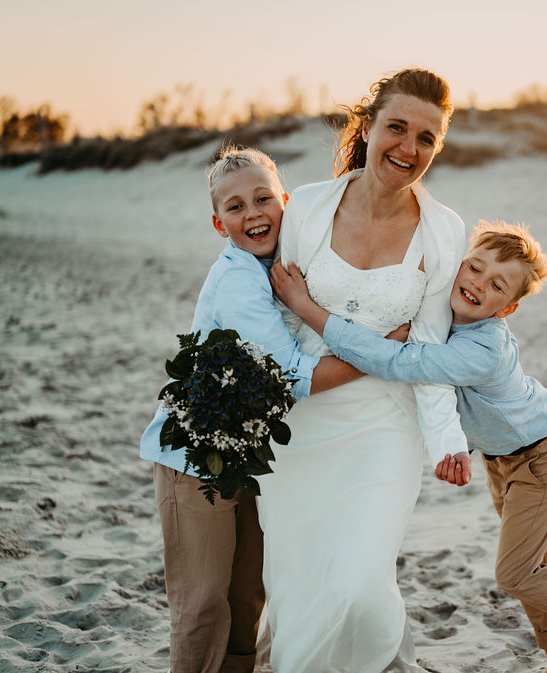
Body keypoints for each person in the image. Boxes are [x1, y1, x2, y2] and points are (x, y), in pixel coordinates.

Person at [271, 219, 547, 673]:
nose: (478, 284)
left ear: (508, 308)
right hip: (504, 458)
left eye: (496, 284)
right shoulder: (444, 315)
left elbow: (400, 362)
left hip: (544, 454)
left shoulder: (482, 349)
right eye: (474, 268)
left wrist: (306, 308)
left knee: (518, 573)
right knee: (538, 563)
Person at [255, 68, 470, 673]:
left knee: (360, 589)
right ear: (367, 126)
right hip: (300, 431)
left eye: (426, 138)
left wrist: (446, 442)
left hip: (386, 430)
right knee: (299, 591)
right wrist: (373, 345)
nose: (409, 148)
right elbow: (281, 330)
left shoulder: (443, 231)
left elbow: (426, 356)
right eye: (396, 128)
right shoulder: (308, 210)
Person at [139, 147, 374, 673]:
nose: (253, 214)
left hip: (249, 455)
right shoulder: (240, 280)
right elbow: (289, 375)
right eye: (236, 207)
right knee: (201, 602)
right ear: (219, 223)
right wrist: (380, 355)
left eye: (263, 198)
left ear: (284, 200)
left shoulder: (288, 267)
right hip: (191, 458)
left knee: (248, 595)